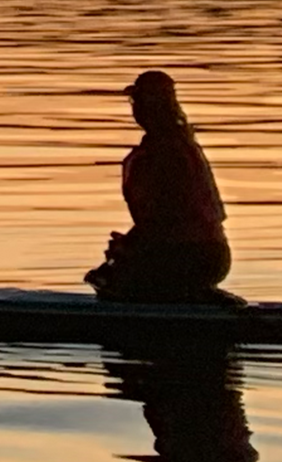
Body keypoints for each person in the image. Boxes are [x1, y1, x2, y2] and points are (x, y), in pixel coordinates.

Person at [87, 68, 234, 302]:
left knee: (114, 285)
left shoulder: (164, 153)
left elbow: (166, 218)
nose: (134, 108)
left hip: (193, 256)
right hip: (210, 253)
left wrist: (128, 249)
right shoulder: (181, 145)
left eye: (137, 101)